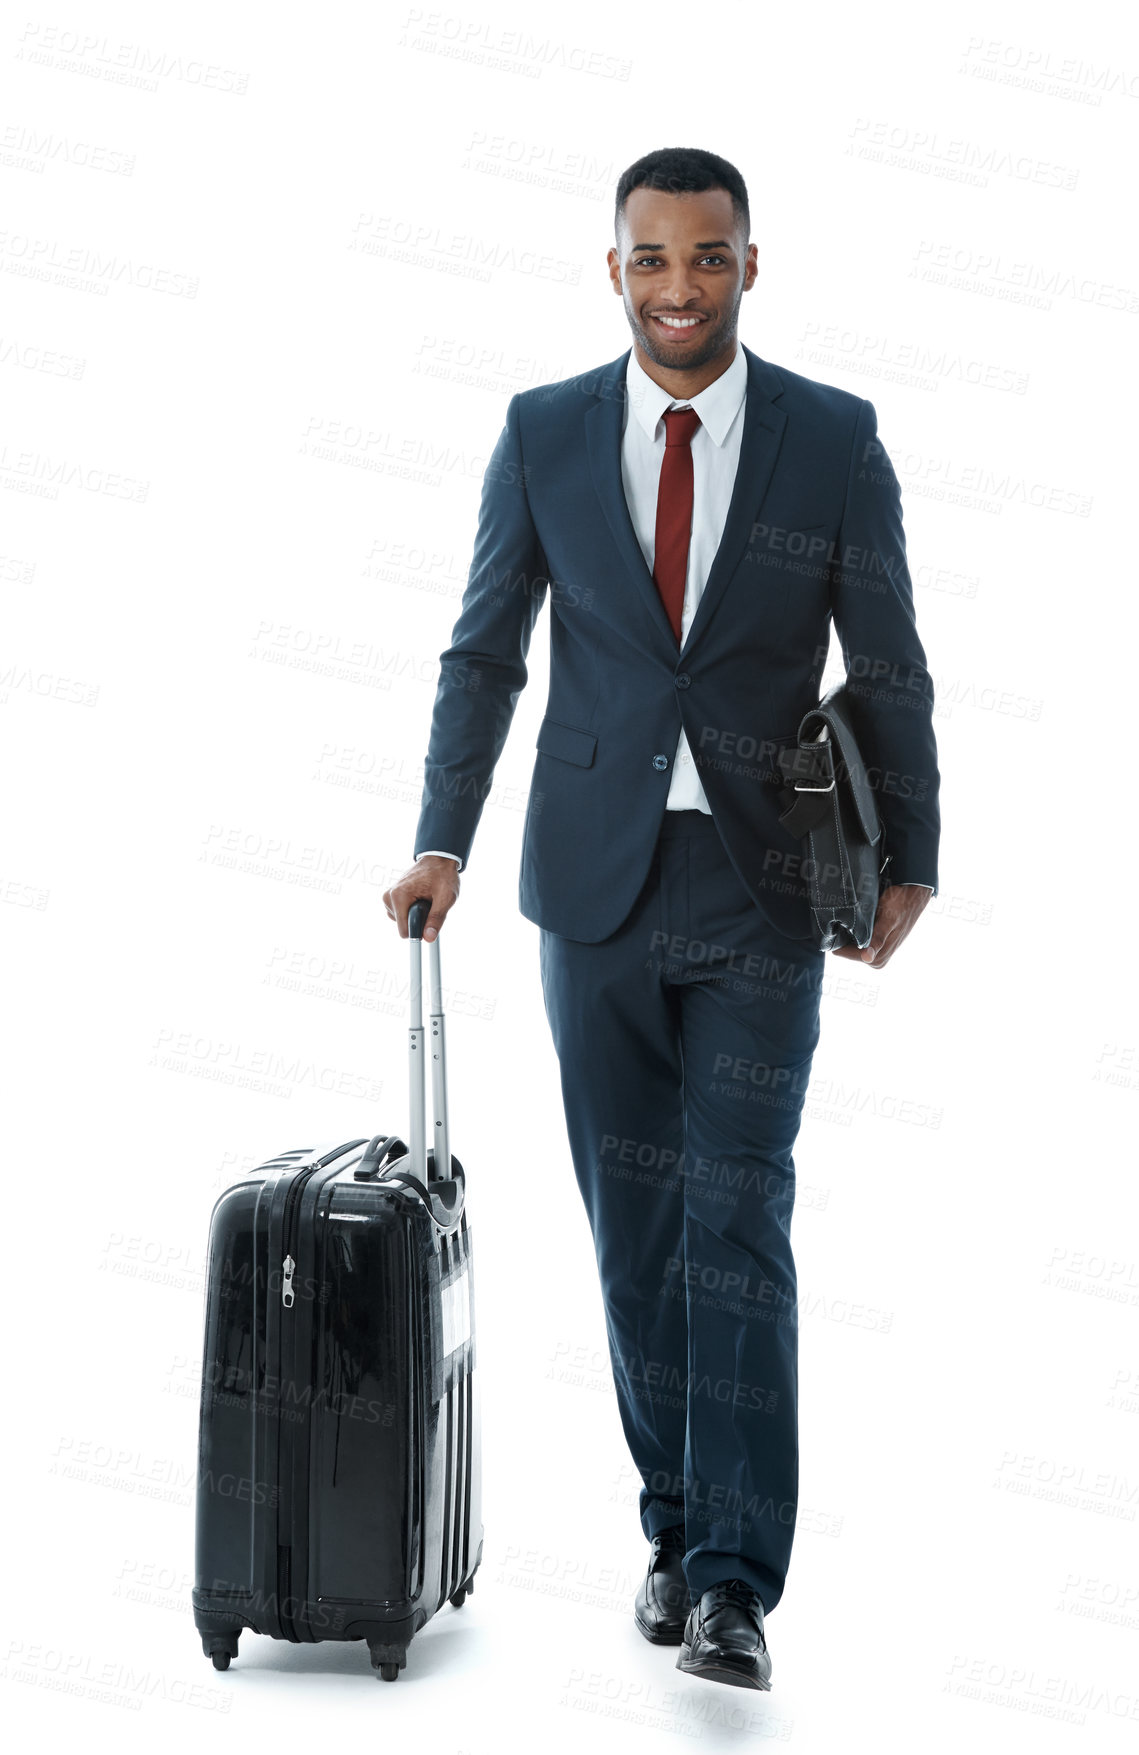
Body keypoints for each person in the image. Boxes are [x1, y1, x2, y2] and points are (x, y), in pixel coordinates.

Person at [383, 145, 940, 1692]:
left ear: (753, 266)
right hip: (596, 892)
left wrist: (916, 858)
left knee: (734, 1217)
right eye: (650, 260)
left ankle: (733, 1586)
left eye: (708, 258)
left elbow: (888, 660)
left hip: (766, 893)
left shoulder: (832, 440)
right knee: (636, 1229)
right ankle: (672, 1519)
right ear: (612, 269)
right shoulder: (547, 433)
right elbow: (482, 651)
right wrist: (441, 839)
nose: (679, 288)